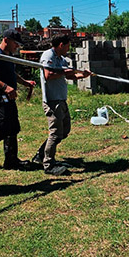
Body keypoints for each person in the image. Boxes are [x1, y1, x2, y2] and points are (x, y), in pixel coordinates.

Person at [31, 34, 91, 175]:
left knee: (64, 131)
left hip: (61, 100)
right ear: (60, 45)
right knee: (55, 133)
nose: (68, 49)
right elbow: (48, 75)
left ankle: (40, 156)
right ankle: (49, 165)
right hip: (52, 100)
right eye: (67, 46)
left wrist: (83, 75)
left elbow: (69, 75)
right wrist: (64, 71)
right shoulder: (48, 55)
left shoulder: (61, 59)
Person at [0, 29, 35, 171]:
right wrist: (5, 87)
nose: (17, 47)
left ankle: (11, 160)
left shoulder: (8, 56)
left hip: (8, 96)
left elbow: (11, 73)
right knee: (1, 127)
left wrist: (25, 83)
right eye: (16, 43)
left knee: (13, 127)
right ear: (6, 40)